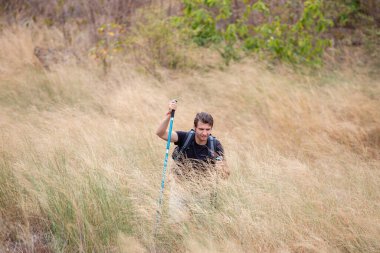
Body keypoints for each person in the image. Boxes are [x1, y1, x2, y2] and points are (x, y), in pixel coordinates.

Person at [156, 100, 229, 222]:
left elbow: (226, 174)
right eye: (201, 129)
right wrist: (169, 114)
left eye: (208, 129)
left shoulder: (215, 145)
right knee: (176, 227)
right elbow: (160, 133)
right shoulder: (184, 137)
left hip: (202, 194)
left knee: (198, 230)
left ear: (211, 128)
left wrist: (222, 169)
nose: (205, 133)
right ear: (195, 127)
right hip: (180, 190)